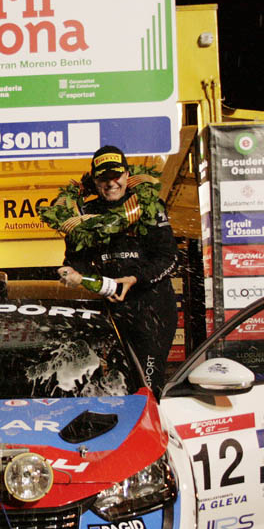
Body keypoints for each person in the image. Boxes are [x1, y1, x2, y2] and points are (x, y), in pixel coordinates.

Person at [57, 145, 178, 396]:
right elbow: (76, 261)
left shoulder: (149, 206)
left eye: (116, 175)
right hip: (109, 313)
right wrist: (72, 273)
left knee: (146, 387)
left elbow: (169, 258)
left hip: (152, 311)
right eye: (104, 177)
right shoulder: (85, 214)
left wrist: (135, 278)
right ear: (94, 181)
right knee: (113, 385)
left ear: (127, 175)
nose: (111, 182)